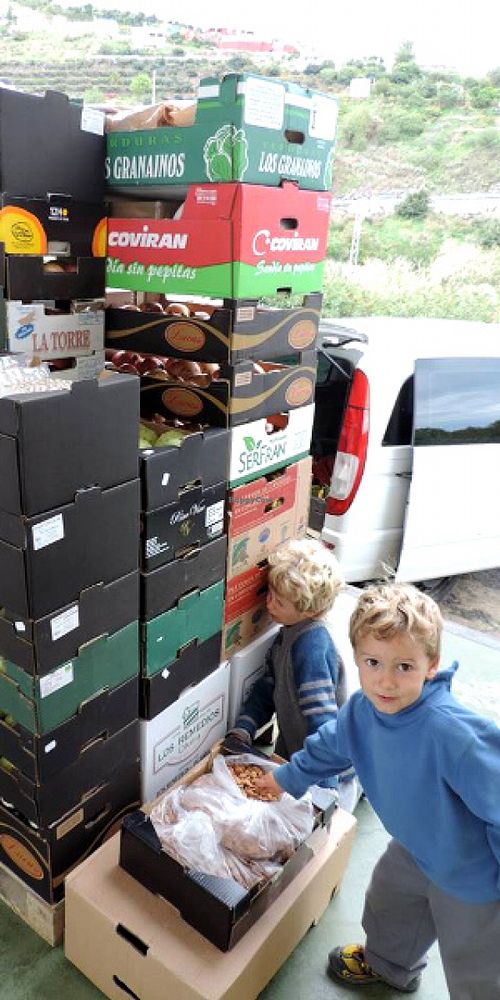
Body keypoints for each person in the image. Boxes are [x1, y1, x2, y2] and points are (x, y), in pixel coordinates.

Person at [254, 582, 500, 998]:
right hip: (413, 846)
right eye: (373, 662)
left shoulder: (453, 734)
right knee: (388, 907)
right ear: (356, 658)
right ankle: (389, 967)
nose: (385, 681)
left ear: (431, 664)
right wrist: (286, 778)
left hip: (471, 873)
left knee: (476, 963)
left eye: (404, 666)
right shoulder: (364, 709)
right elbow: (334, 744)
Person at [229, 537, 358, 811]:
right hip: (296, 753)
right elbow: (267, 690)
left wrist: (325, 787)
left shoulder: (312, 650)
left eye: (279, 602)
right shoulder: (285, 635)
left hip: (330, 768)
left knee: (322, 834)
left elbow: (324, 723)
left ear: (310, 610)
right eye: (270, 593)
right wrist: (244, 728)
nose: (269, 604)